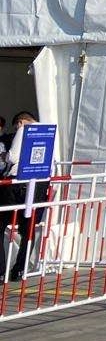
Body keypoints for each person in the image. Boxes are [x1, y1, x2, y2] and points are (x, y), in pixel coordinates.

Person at [1, 112, 44, 283]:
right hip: (39, 183)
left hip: (18, 183)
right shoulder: (49, 131)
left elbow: (13, 156)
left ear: (20, 122)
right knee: (28, 228)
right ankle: (20, 269)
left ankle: (1, 271)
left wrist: (4, 156)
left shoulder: (24, 130)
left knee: (1, 223)